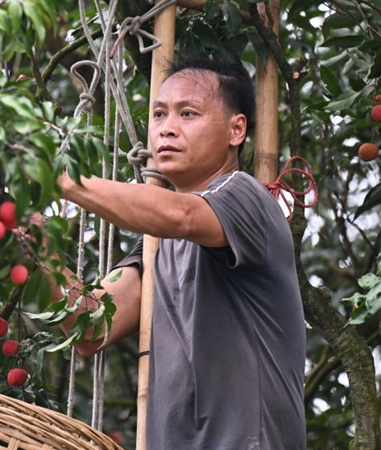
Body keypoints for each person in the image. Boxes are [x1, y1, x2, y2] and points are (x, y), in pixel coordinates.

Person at [48, 55, 306, 449]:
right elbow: (91, 327)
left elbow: (183, 215)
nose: (167, 129)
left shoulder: (246, 197)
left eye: (188, 114)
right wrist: (32, 242)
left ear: (236, 130)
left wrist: (59, 179)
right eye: (158, 115)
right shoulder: (157, 240)